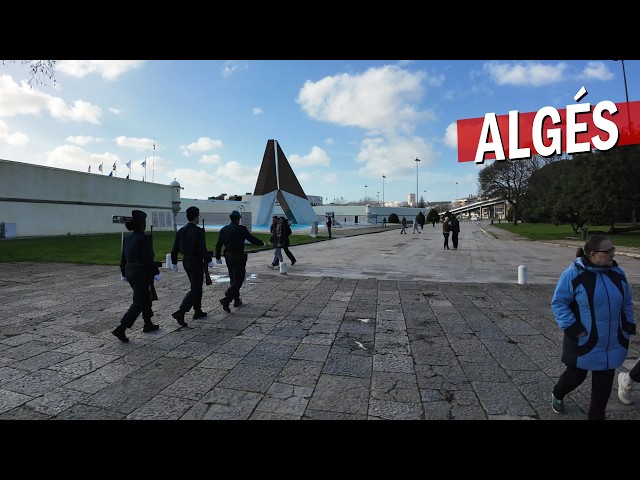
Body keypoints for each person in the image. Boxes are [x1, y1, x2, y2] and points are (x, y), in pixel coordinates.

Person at [550, 235, 635, 420]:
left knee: (603, 385)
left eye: (613, 249)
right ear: (592, 254)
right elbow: (559, 303)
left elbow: (626, 302)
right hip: (584, 340)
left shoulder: (617, 272)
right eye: (608, 251)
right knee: (575, 377)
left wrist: (628, 326)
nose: (613, 253)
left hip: (612, 341)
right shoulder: (573, 274)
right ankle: (557, 393)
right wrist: (573, 328)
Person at [112, 210, 161, 342]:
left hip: (130, 271)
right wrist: (156, 271)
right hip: (141, 273)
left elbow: (123, 259)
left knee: (145, 298)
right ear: (142, 224)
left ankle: (148, 323)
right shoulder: (144, 238)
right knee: (139, 301)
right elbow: (148, 259)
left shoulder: (127, 238)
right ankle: (121, 328)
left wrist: (123, 273)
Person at [170, 206, 213, 327]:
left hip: (186, 261)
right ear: (196, 217)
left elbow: (175, 248)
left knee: (196, 287)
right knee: (196, 289)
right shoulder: (198, 231)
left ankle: (197, 311)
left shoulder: (181, 230)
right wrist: (209, 260)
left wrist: (174, 262)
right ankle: (181, 312)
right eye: (198, 216)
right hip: (195, 262)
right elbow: (201, 249)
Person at [215, 210, 265, 313]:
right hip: (238, 257)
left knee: (233, 278)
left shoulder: (224, 229)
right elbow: (251, 238)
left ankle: (236, 300)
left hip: (228, 256)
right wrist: (261, 243)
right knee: (239, 280)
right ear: (238, 219)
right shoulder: (241, 229)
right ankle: (227, 299)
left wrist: (217, 257)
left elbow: (219, 244)